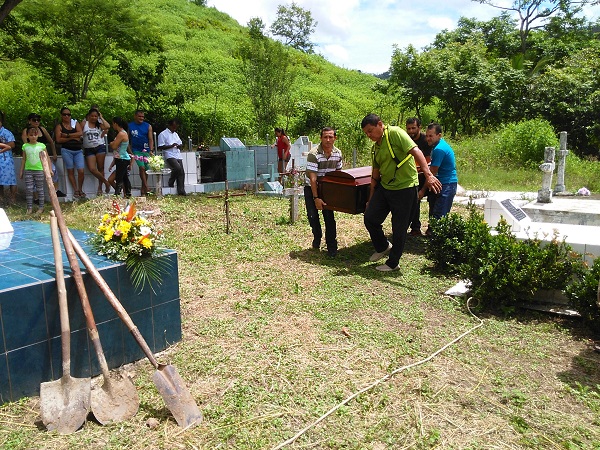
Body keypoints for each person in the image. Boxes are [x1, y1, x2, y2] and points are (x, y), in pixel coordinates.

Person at [361, 113, 441, 272]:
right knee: (370, 218)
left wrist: (429, 175)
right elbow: (375, 174)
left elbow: (416, 151)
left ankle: (393, 263)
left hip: (405, 187)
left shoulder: (395, 133)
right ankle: (383, 246)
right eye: (366, 133)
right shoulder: (376, 146)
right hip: (386, 187)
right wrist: (370, 199)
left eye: (370, 131)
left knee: (399, 227)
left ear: (380, 124)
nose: (369, 135)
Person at [304, 127, 343, 257]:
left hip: (327, 190)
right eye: (325, 137)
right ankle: (317, 236)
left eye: (330, 137)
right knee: (312, 216)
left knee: (329, 218)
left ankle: (332, 246)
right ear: (320, 138)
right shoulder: (314, 154)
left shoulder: (338, 153)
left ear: (334, 138)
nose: (328, 140)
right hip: (311, 188)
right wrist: (316, 198)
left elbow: (338, 175)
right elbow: (313, 178)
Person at [422, 123, 458, 231]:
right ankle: (432, 234)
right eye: (427, 135)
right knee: (433, 213)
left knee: (439, 216)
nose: (428, 138)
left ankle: (437, 240)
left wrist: (422, 191)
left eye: (431, 136)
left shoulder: (439, 149)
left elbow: (431, 173)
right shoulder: (437, 146)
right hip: (441, 183)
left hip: (446, 184)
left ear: (439, 135)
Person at [21, 113, 66, 198]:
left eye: (38, 120)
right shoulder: (25, 131)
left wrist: (54, 153)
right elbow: (26, 146)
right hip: (32, 158)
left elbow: (51, 142)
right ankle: (36, 197)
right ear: (29, 121)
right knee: (33, 177)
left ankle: (56, 190)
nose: (37, 122)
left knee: (53, 170)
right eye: (34, 120)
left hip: (44, 156)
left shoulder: (42, 129)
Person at [405, 117, 432, 236]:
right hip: (411, 174)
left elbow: (427, 160)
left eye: (413, 128)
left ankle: (432, 227)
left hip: (425, 173)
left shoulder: (425, 141)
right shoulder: (405, 139)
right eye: (408, 129)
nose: (410, 131)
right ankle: (415, 227)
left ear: (419, 128)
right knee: (413, 200)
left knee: (431, 199)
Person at [54, 107, 85, 199]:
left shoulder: (75, 123)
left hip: (78, 150)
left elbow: (80, 133)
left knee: (81, 171)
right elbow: (59, 139)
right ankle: (75, 190)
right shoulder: (59, 126)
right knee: (70, 170)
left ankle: (80, 189)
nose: (67, 116)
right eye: (64, 114)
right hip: (66, 150)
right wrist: (73, 137)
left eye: (68, 114)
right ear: (61, 115)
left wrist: (67, 135)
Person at [81, 107, 112, 196]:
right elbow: (80, 132)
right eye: (92, 116)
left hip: (99, 147)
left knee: (101, 168)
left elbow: (108, 126)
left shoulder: (99, 125)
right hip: (88, 148)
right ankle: (106, 182)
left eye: (95, 116)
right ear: (88, 116)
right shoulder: (84, 123)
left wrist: (101, 117)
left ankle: (100, 187)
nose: (94, 118)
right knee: (92, 168)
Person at [19, 126, 46, 214]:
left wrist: (48, 170)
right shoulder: (25, 146)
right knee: (29, 189)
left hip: (39, 170)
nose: (33, 137)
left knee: (40, 189)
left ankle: (41, 207)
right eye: (31, 135)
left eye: (35, 135)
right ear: (27, 136)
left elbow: (46, 159)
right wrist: (21, 170)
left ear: (38, 135)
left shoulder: (41, 145)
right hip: (28, 170)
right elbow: (23, 159)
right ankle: (29, 208)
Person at [157, 118, 186, 196]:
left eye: (176, 127)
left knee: (181, 173)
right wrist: (171, 146)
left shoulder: (175, 134)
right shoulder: (163, 134)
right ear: (169, 125)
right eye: (173, 127)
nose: (174, 128)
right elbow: (160, 146)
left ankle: (181, 190)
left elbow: (180, 143)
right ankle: (171, 181)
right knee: (177, 168)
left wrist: (179, 146)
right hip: (169, 154)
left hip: (177, 154)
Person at [128, 110, 154, 196]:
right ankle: (146, 187)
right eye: (139, 116)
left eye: (143, 117)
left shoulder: (148, 126)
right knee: (141, 167)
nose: (141, 118)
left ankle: (143, 190)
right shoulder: (130, 126)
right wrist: (130, 151)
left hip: (146, 150)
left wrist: (150, 150)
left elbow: (150, 139)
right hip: (136, 150)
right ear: (135, 116)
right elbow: (127, 139)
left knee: (146, 170)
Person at [108, 117, 133, 198]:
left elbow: (114, 146)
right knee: (125, 177)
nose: (112, 126)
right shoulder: (121, 133)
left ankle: (117, 194)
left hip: (122, 158)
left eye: (113, 124)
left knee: (119, 178)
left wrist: (112, 143)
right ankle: (128, 194)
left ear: (115, 123)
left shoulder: (121, 134)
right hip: (120, 158)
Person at [0, 111, 17, 206]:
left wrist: (2, 146)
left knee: (11, 180)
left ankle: (13, 200)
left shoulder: (6, 132)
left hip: (6, 160)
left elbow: (12, 144)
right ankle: (1, 200)